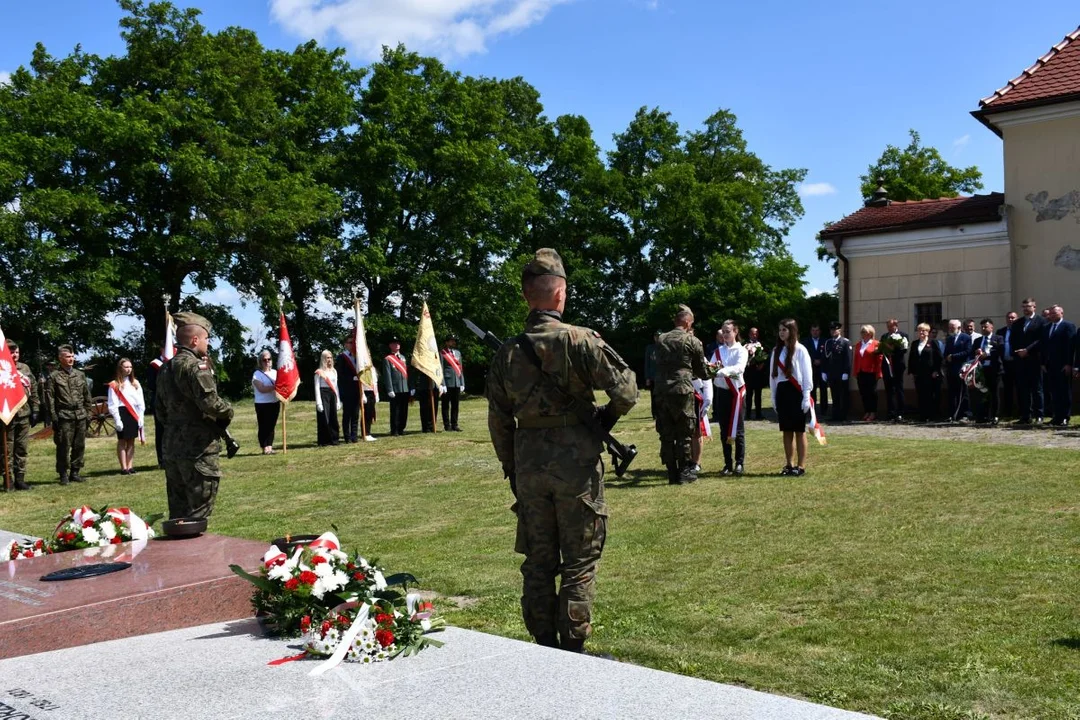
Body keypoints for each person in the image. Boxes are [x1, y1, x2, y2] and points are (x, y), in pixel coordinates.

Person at [486, 248, 637, 654]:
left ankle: (541, 642)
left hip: (529, 466)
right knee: (579, 562)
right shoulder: (580, 340)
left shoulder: (508, 352)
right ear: (560, 295)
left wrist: (512, 468)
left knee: (538, 561)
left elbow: (498, 421)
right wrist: (603, 420)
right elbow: (626, 390)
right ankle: (572, 648)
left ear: (526, 296)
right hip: (576, 466)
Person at [156, 313, 233, 520]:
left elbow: (160, 410)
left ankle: (177, 551)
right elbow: (210, 403)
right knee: (199, 511)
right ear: (195, 340)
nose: (208, 344)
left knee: (178, 510)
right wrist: (228, 409)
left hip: (172, 446)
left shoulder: (165, 369)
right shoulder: (196, 367)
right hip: (197, 447)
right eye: (207, 339)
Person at [654, 305, 710, 484]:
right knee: (685, 432)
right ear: (687, 322)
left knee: (667, 432)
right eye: (691, 323)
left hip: (662, 390)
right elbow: (701, 371)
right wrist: (713, 372)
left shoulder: (661, 339)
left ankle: (671, 472)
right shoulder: (692, 341)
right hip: (683, 391)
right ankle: (685, 472)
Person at [769, 318, 813, 476]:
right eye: (780, 330)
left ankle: (801, 466)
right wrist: (773, 397)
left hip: (796, 392)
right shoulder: (776, 351)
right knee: (786, 430)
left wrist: (806, 396)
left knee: (799, 431)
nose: (781, 333)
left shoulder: (800, 349)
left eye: (784, 330)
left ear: (792, 331)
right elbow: (772, 377)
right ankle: (789, 464)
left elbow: (807, 375)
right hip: (782, 391)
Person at [45, 345, 92, 485]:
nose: (71, 359)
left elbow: (87, 395)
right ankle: (63, 473)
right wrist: (53, 417)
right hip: (64, 415)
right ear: (60, 358)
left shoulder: (79, 374)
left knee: (79, 445)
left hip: (80, 414)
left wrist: (88, 413)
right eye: (67, 357)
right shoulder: (53, 376)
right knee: (63, 446)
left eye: (72, 356)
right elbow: (50, 398)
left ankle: (75, 472)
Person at [712, 320, 748, 475]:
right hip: (722, 392)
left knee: (738, 429)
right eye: (724, 331)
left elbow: (739, 369)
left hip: (737, 393)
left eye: (728, 331)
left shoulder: (741, 350)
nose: (726, 334)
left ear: (735, 331)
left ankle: (739, 463)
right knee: (723, 429)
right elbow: (711, 368)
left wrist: (722, 371)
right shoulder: (718, 351)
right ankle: (728, 464)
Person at [2, 340, 39, 491]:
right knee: (6, 449)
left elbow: (33, 388)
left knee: (22, 448)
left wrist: (35, 409)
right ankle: (7, 479)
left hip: (24, 413)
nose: (14, 355)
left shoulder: (24, 368)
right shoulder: (1, 368)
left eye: (16, 352)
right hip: (7, 416)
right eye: (11, 352)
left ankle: (20, 479)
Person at [107, 358, 145, 476]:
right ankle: (123, 467)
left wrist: (141, 417)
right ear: (120, 368)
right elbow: (112, 404)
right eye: (126, 367)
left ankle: (130, 466)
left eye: (130, 367)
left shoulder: (136, 383)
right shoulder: (114, 385)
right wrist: (117, 419)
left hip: (134, 412)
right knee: (122, 441)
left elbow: (141, 402)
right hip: (122, 412)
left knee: (131, 441)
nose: (128, 369)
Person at [1013, 297, 1047, 424]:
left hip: (1034, 359)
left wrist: (1027, 350)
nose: (1026, 309)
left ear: (1034, 307)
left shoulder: (1042, 321)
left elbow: (1041, 340)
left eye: (1028, 307)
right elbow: (1013, 340)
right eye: (1024, 307)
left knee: (1037, 389)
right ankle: (1025, 415)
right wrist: (1018, 352)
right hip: (1020, 360)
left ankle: (1039, 414)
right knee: (1023, 389)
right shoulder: (1018, 323)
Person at [1041, 304, 1075, 427]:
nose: (1052, 315)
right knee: (1053, 392)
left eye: (1055, 313)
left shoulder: (1068, 326)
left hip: (1063, 365)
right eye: (1051, 313)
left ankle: (1065, 416)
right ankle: (1056, 416)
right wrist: (1043, 363)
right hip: (1050, 365)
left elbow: (1070, 347)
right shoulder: (1046, 327)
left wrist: (1069, 364)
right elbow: (1044, 347)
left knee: (1064, 392)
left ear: (1061, 313)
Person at [907, 323, 943, 422]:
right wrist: (912, 371)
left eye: (924, 330)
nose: (922, 332)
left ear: (928, 332)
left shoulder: (933, 342)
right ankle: (922, 415)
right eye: (920, 330)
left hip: (930, 373)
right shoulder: (915, 343)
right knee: (921, 394)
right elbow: (911, 358)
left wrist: (936, 370)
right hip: (918, 374)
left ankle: (931, 415)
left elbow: (939, 358)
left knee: (930, 395)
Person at [969, 318, 1002, 424]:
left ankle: (995, 415)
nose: (983, 329)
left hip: (994, 370)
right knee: (982, 393)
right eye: (982, 327)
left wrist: (987, 354)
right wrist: (976, 353)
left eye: (985, 326)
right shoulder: (978, 340)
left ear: (991, 327)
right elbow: (971, 354)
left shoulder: (998, 338)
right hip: (981, 371)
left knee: (994, 393)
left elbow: (1000, 351)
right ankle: (983, 416)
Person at [879, 318, 908, 420]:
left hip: (897, 366)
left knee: (898, 388)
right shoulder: (884, 336)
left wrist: (893, 350)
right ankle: (890, 412)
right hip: (887, 366)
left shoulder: (903, 335)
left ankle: (900, 412)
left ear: (896, 325)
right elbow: (881, 349)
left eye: (891, 326)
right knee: (889, 389)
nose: (889, 328)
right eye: (888, 327)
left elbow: (904, 350)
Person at [943, 319, 972, 420]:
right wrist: (947, 357)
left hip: (962, 369)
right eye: (949, 327)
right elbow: (946, 353)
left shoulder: (966, 337)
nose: (950, 329)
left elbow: (968, 351)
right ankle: (952, 414)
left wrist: (953, 356)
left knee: (963, 393)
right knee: (952, 393)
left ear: (959, 328)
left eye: (952, 327)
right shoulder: (950, 339)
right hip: (951, 370)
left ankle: (965, 414)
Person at [823, 321, 852, 422]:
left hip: (841, 373)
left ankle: (843, 415)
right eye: (831, 329)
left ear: (839, 330)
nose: (833, 331)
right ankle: (835, 415)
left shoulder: (845, 342)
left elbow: (848, 359)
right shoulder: (828, 342)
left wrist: (846, 372)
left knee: (843, 395)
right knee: (834, 395)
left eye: (835, 329)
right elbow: (825, 358)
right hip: (831, 373)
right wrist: (824, 371)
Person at [251, 350, 279, 454]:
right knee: (263, 425)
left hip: (274, 402)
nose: (267, 361)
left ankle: (270, 447)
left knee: (272, 426)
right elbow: (261, 388)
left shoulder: (275, 372)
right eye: (264, 360)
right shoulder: (257, 374)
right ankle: (264, 446)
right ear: (260, 361)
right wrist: (275, 386)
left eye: (269, 359)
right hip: (262, 404)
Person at [382, 338, 411, 436]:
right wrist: (390, 389)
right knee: (395, 410)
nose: (397, 345)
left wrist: (410, 387)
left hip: (404, 388)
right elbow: (387, 375)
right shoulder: (388, 359)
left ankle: (402, 428)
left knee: (404, 410)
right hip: (395, 388)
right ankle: (394, 430)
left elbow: (407, 373)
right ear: (390, 345)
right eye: (395, 343)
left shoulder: (403, 358)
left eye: (398, 343)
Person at [853, 325, 882, 421]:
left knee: (872, 393)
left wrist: (879, 373)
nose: (863, 334)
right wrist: (855, 372)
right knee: (863, 393)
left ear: (870, 334)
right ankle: (867, 411)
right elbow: (856, 359)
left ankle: (873, 412)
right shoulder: (858, 345)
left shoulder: (876, 344)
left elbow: (879, 360)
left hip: (871, 372)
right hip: (860, 372)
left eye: (865, 332)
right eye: (862, 332)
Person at [336, 337, 362, 444]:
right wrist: (352, 378)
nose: (352, 345)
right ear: (345, 344)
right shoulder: (342, 357)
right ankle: (347, 437)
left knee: (355, 414)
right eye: (350, 343)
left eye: (353, 343)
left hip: (356, 390)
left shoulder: (357, 357)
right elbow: (340, 374)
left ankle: (354, 436)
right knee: (347, 415)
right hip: (347, 390)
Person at [147, 346, 169, 467]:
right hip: (160, 401)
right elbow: (151, 384)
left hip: (174, 403)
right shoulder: (154, 365)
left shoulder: (174, 362)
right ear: (162, 349)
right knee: (161, 431)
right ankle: (162, 460)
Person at [315, 350, 341, 446]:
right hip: (323, 393)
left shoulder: (334, 371)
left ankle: (334, 439)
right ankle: (324, 441)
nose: (329, 359)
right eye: (327, 357)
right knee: (324, 417)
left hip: (332, 394)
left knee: (333, 417)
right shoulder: (319, 372)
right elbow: (316, 387)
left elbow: (336, 386)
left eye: (330, 357)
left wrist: (338, 400)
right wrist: (319, 402)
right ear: (323, 359)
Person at [802, 323, 828, 415]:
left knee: (823, 389)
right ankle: (811, 409)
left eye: (817, 330)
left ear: (820, 331)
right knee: (811, 389)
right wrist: (813, 360)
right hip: (810, 368)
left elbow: (827, 354)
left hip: (822, 368)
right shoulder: (805, 341)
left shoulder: (825, 341)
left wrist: (821, 360)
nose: (815, 332)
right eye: (813, 330)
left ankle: (824, 410)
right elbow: (805, 354)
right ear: (810, 331)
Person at [997, 311, 1018, 418]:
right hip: (1005, 364)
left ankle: (1021, 412)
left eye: (1013, 318)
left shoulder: (1020, 331)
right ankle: (1008, 411)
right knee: (1007, 389)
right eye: (1009, 318)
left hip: (1017, 363)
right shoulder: (1001, 331)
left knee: (1020, 388)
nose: (1010, 319)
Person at [440, 336, 464, 431]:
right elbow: (440, 369)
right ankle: (447, 425)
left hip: (456, 382)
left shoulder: (458, 353)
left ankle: (455, 424)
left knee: (455, 405)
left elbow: (460, 368)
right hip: (447, 382)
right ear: (446, 342)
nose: (453, 342)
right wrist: (442, 383)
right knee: (445, 405)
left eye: (454, 340)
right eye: (451, 341)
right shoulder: (442, 353)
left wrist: (462, 382)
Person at [743, 327, 767, 420]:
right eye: (753, 334)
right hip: (749, 373)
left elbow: (765, 355)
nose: (754, 335)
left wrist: (762, 364)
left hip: (758, 373)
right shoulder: (744, 345)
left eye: (756, 333)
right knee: (748, 395)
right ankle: (747, 414)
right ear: (749, 334)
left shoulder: (761, 344)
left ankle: (758, 414)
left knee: (758, 394)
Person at [644, 330, 661, 419]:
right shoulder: (650, 348)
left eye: (659, 336)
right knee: (653, 396)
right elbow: (647, 363)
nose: (657, 338)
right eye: (656, 336)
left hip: (663, 376)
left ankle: (662, 413)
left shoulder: (665, 347)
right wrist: (647, 377)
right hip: (653, 376)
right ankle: (655, 414)